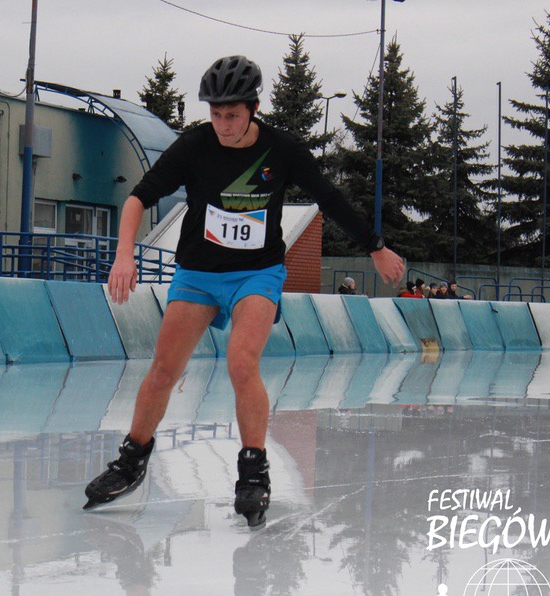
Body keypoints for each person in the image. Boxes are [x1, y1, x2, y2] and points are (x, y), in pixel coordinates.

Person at [83, 55, 404, 527]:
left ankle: (254, 470)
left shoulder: (282, 149)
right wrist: (124, 254)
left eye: (232, 115)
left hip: (257, 274)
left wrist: (375, 247)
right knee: (164, 369)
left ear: (253, 109)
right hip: (198, 273)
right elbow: (137, 198)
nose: (223, 124)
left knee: (241, 361)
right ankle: (131, 461)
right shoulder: (194, 146)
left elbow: (329, 198)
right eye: (215, 114)